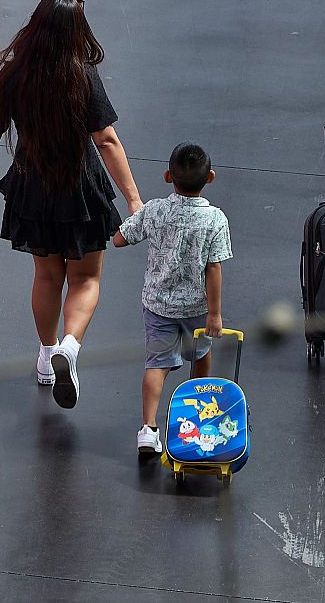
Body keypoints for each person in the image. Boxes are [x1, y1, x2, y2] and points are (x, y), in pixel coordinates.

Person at [0, 0, 143, 410]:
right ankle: (71, 345)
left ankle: (47, 356)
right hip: (81, 189)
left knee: (47, 277)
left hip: (33, 188)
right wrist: (134, 200)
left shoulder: (14, 74)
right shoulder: (81, 74)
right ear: (75, 32)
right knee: (85, 279)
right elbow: (106, 139)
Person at [112, 142, 232, 457]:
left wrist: (139, 221)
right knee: (202, 355)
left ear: (168, 176)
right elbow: (214, 268)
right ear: (211, 178)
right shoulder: (215, 219)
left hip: (157, 305)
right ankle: (197, 417)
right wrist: (215, 314)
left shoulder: (154, 210)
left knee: (156, 364)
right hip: (197, 309)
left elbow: (119, 240)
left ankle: (148, 429)